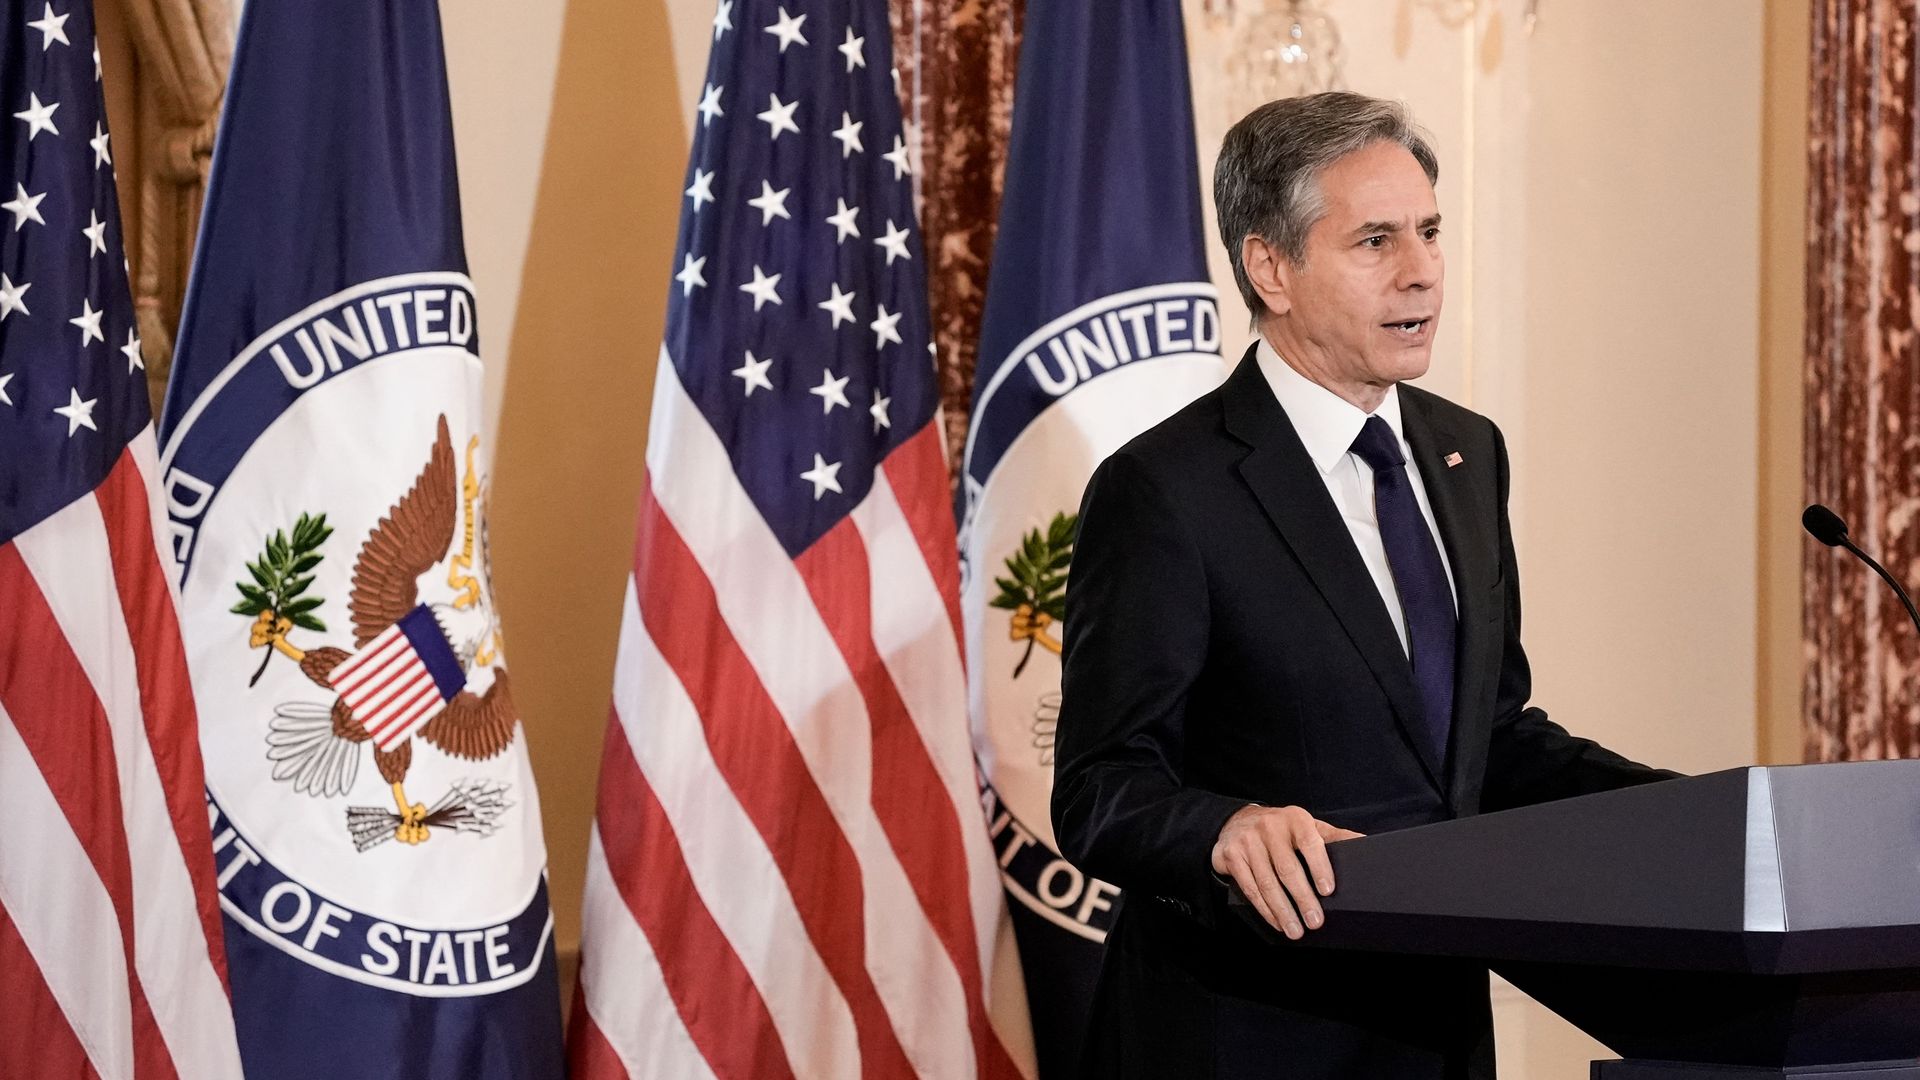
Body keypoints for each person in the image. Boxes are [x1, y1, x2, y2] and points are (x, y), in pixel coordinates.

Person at [1050, 91, 1677, 1080]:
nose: (1423, 269)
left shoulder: (1467, 452)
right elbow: (1099, 787)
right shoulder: (1167, 490)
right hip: (1245, 1035)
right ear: (1272, 267)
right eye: (1375, 241)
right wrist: (1224, 827)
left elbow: (1490, 740)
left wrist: (1695, 817)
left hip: (1437, 1030)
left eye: (1430, 232)